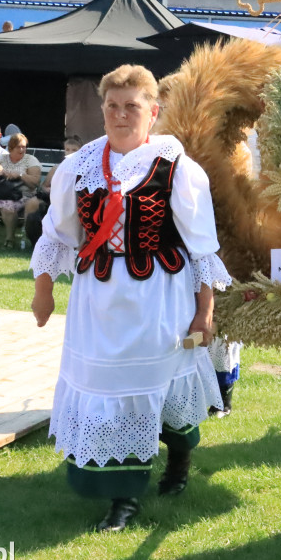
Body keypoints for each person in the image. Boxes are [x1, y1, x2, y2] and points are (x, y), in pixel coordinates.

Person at [30, 63, 230, 533]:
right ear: (103, 110)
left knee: (163, 387)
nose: (121, 116)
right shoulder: (79, 166)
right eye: (113, 107)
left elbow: (202, 247)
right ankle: (123, 495)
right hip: (97, 298)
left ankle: (178, 461)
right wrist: (43, 294)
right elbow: (57, 235)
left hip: (159, 294)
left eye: (132, 107)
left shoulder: (177, 166)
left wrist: (205, 312)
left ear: (153, 111)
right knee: (107, 391)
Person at [0, 133, 41, 249]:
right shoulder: (3, 158)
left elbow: (35, 182)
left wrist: (20, 175)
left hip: (22, 194)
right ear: (11, 148)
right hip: (1, 193)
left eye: (24, 146)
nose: (22, 149)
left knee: (8, 208)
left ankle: (9, 239)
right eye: (18, 147)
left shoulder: (30, 160)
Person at [23, 136, 82, 247]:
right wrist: (51, 190)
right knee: (32, 203)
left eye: (74, 150)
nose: (70, 152)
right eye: (67, 149)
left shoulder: (83, 168)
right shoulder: (57, 168)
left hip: (75, 200)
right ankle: (31, 238)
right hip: (54, 199)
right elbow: (43, 187)